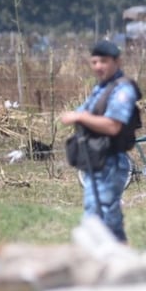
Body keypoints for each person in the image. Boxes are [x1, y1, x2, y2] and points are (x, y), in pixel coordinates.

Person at [59, 40, 138, 243]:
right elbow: (83, 111)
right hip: (97, 162)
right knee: (109, 224)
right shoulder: (102, 89)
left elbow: (113, 126)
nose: (98, 67)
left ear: (117, 61)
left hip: (110, 162)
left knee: (97, 219)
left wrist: (81, 118)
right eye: (94, 62)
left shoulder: (123, 90)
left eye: (103, 61)